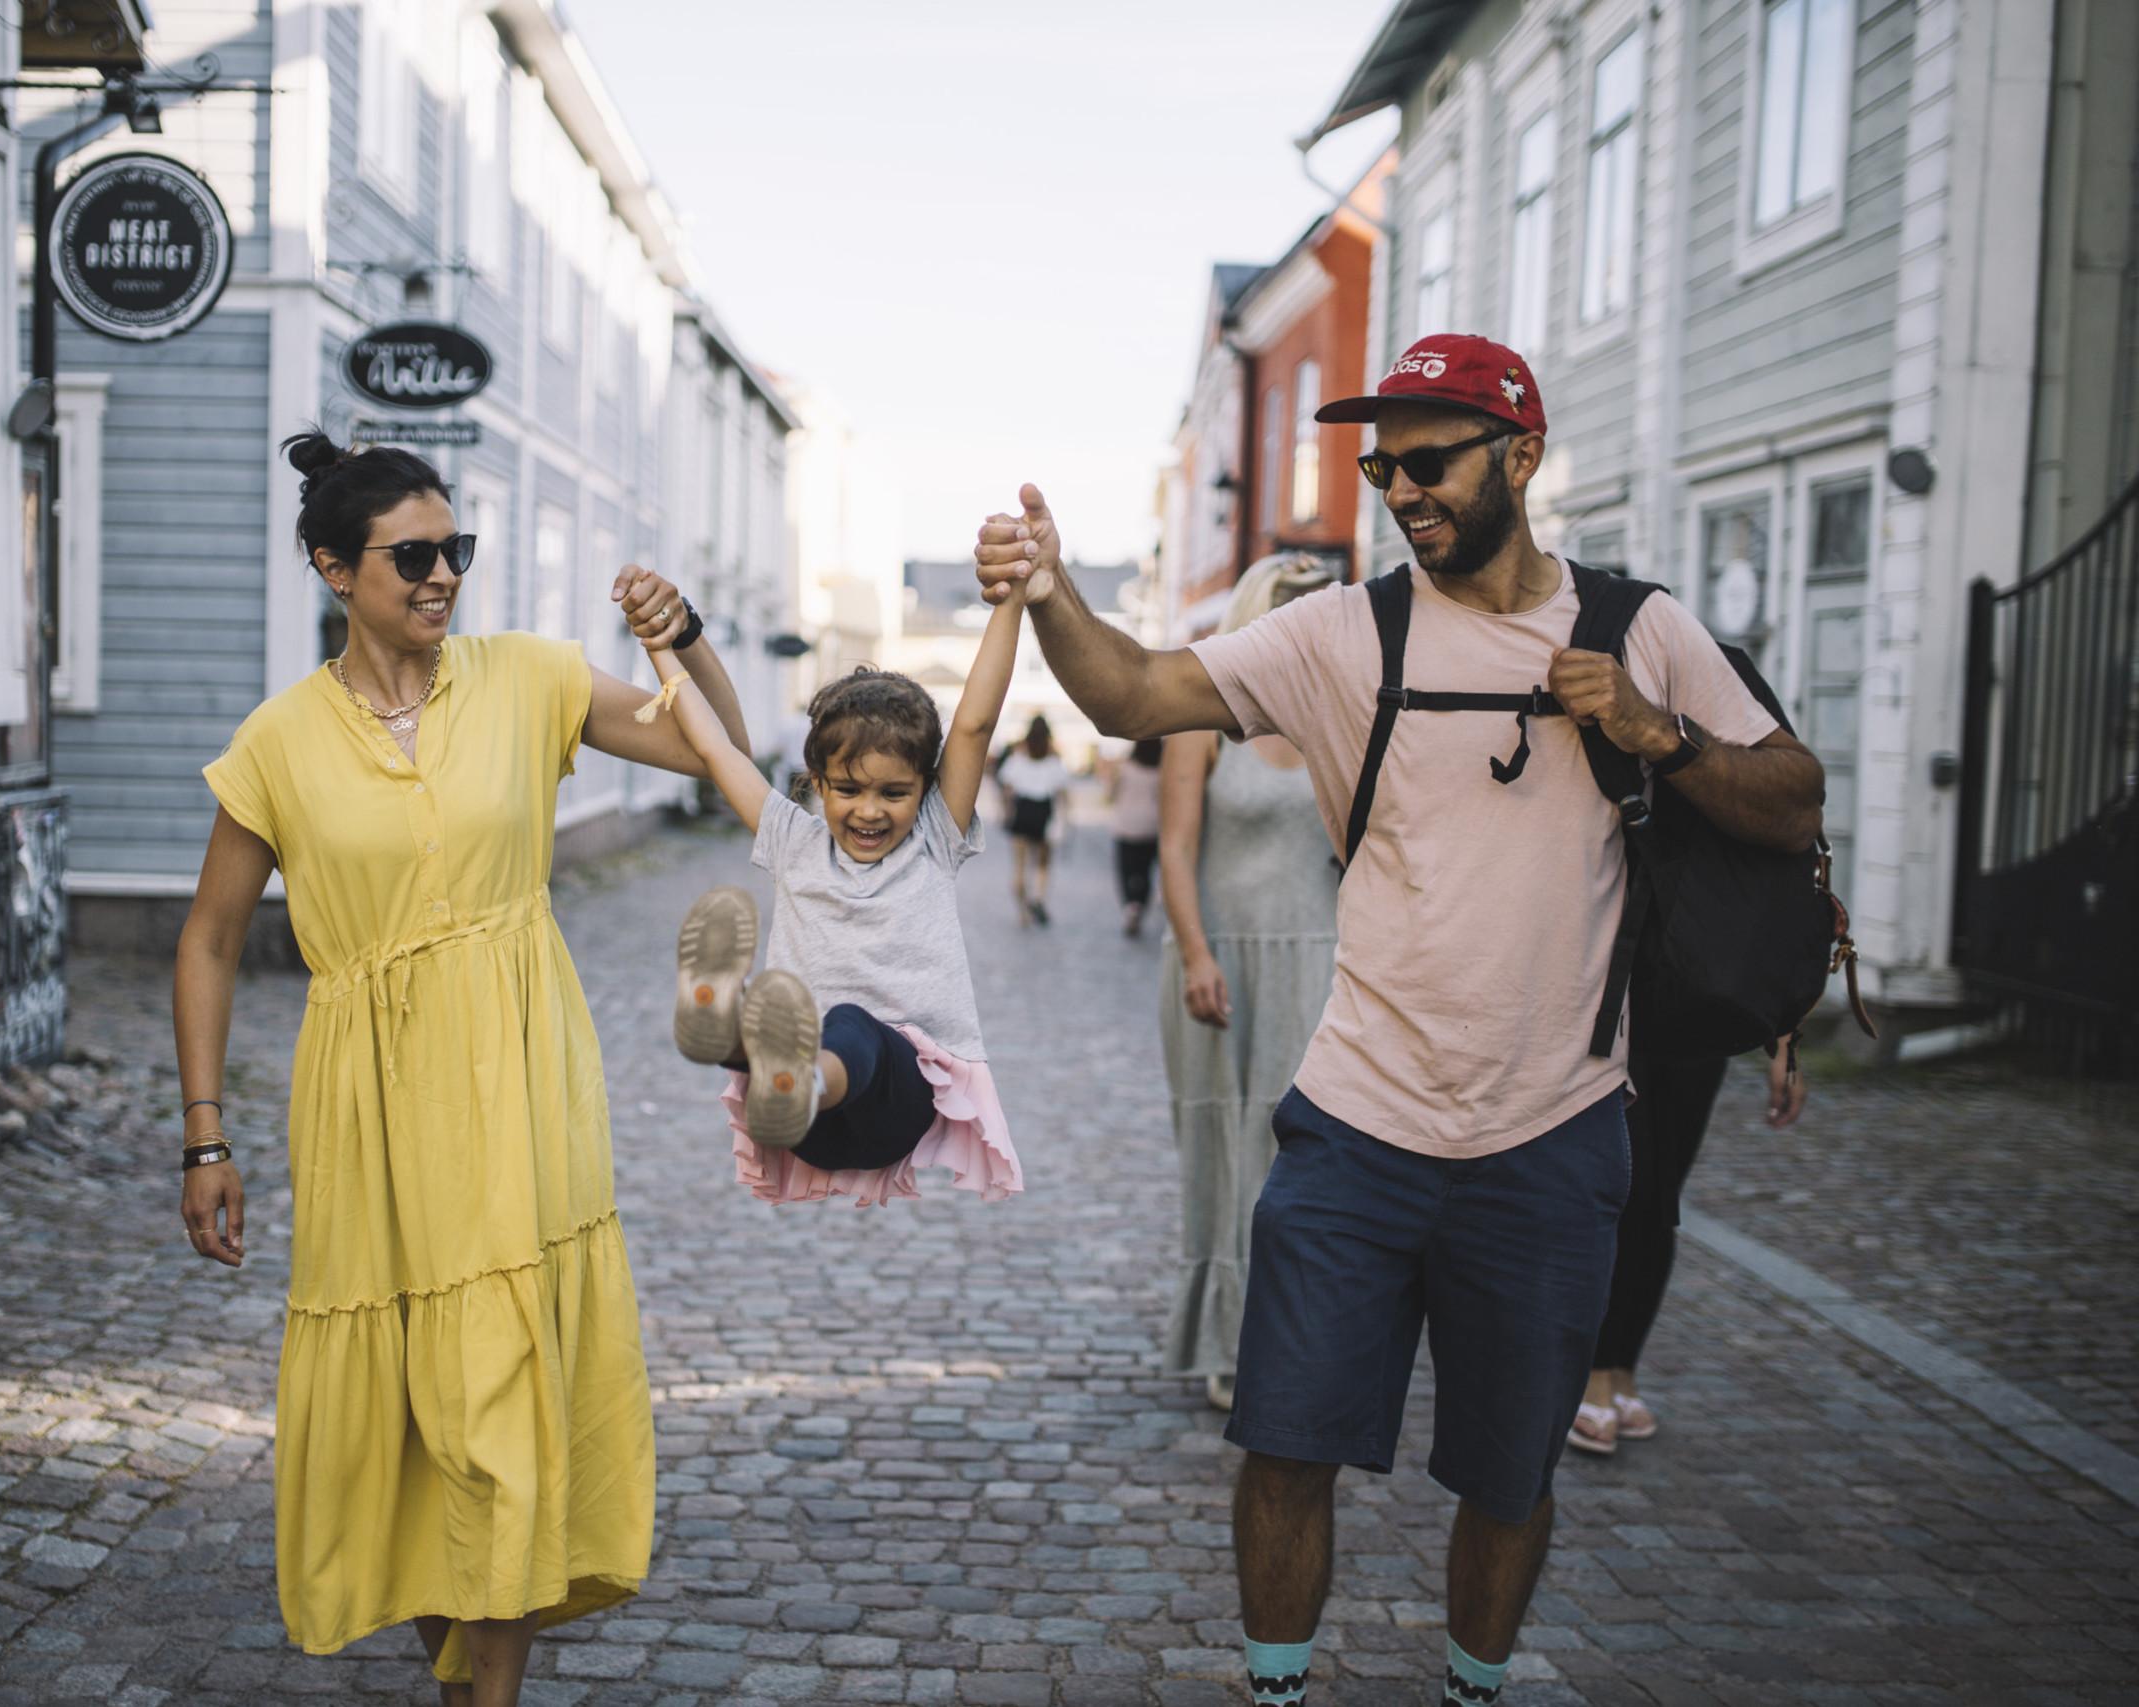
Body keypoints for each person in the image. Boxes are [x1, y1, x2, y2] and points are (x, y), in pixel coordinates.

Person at [973, 334, 1823, 1707]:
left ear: (1522, 456)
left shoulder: (1639, 625)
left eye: (1429, 460)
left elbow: (1793, 795)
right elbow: (1135, 691)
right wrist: (1055, 590)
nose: (1402, 490)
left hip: (1552, 1136)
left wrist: (1658, 731)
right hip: (1357, 1125)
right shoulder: (1344, 631)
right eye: (1383, 466)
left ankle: (1474, 1685)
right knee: (1286, 1443)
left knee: (1510, 1469)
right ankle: (1277, 1688)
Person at [172, 429, 757, 1704]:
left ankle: (489, 1687)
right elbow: (209, 940)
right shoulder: (276, 741)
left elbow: (720, 747)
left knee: (503, 1385)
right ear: (334, 566)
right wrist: (206, 1136)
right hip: (366, 1104)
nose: (443, 578)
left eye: (459, 552)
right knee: (407, 1412)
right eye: (415, 556)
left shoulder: (532, 679)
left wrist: (686, 636)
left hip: (520, 1072)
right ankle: (457, 1666)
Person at [645, 576, 1029, 1208]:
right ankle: (739, 1035)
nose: (869, 811)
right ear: (816, 784)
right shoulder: (791, 839)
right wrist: (660, 646)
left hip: (895, 1103)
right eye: (848, 790)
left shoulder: (934, 837)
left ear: (926, 789)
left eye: (894, 793)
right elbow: (714, 748)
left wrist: (1013, 597)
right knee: (828, 1024)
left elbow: (975, 722)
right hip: (803, 1128)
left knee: (850, 1025)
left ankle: (772, 1056)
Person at [1157, 559, 1340, 1414]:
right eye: (1289, 612)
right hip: (1220, 954)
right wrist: (1197, 952)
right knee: (1224, 1150)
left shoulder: (1341, 713)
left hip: (1317, 957)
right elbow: (1174, 846)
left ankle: (1291, 1330)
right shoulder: (1201, 714)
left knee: (1300, 1155)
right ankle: (1225, 1336)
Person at [1570, 1041, 1807, 1454]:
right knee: (1628, 1186)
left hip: (1699, 1019)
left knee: (1662, 1200)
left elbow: (1775, 972)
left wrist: (1787, 1046)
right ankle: (1596, 1370)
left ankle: (1623, 1368)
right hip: (1619, 1009)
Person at [997, 715, 1070, 925]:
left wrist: (1007, 812)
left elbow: (1007, 789)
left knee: (1019, 866)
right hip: (1043, 812)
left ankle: (1022, 912)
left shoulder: (1018, 758)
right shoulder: (1054, 761)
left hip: (1022, 811)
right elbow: (1061, 793)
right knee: (1042, 863)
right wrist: (1064, 819)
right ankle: (1038, 897)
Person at [1102, 735, 1165, 936]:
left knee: (1127, 869)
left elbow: (1111, 795)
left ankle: (1131, 905)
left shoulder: (1126, 768)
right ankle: (1141, 904)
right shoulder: (1161, 770)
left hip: (1126, 825)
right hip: (1152, 826)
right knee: (1146, 871)